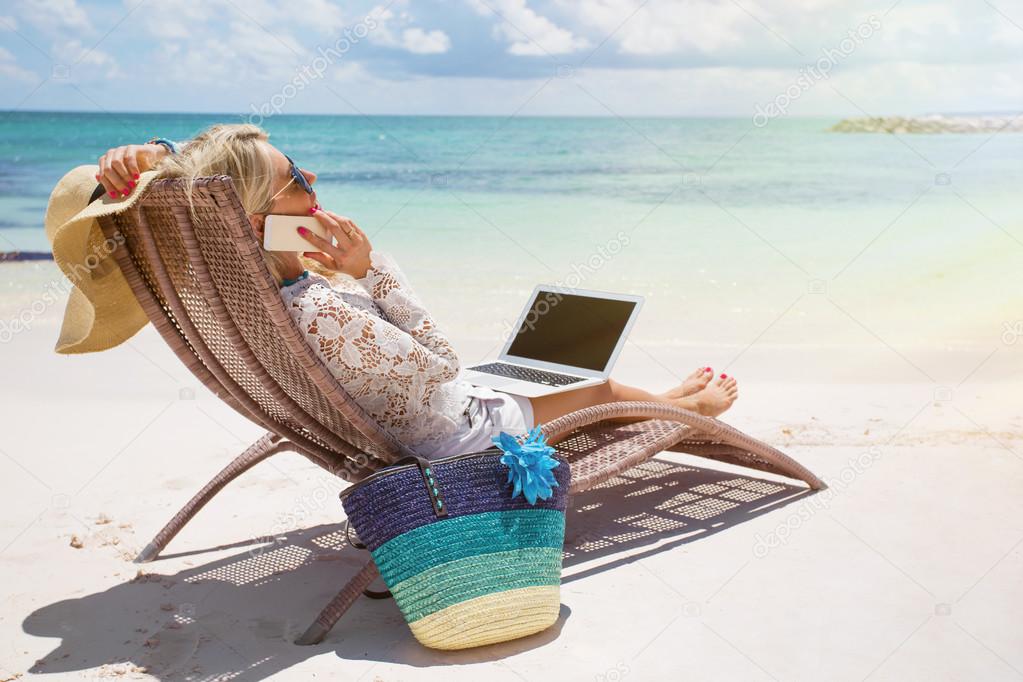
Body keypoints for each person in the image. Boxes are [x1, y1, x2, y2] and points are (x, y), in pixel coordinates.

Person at [95, 124, 739, 459]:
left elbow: (202, 186)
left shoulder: (256, 296)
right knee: (592, 388)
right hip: (449, 434)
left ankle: (663, 399)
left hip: (401, 413)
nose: (314, 179)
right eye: (297, 177)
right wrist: (370, 273)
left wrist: (152, 154)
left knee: (543, 372)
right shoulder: (318, 306)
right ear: (261, 217)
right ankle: (689, 410)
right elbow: (442, 364)